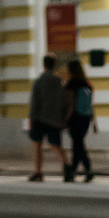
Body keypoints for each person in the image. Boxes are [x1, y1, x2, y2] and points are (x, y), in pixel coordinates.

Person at [28, 53, 73, 181]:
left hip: (39, 118)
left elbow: (34, 102)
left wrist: (31, 120)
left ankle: (38, 172)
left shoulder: (39, 81)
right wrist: (63, 118)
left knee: (38, 146)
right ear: (55, 65)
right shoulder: (60, 81)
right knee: (55, 144)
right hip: (55, 119)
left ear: (44, 64)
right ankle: (66, 163)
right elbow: (65, 101)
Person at [64, 57, 96, 181]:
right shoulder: (87, 83)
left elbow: (71, 104)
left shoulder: (72, 83)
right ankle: (73, 171)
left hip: (75, 118)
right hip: (86, 118)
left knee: (78, 144)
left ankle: (87, 169)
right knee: (78, 144)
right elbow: (91, 103)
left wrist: (66, 118)